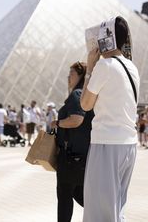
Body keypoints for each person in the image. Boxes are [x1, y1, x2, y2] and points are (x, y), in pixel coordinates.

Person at [80, 17, 140, 222]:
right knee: (117, 208)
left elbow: (85, 104)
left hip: (107, 144)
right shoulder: (132, 67)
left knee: (99, 211)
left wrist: (89, 67)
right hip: (128, 145)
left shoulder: (104, 65)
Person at [50, 61, 93, 222]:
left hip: (70, 157)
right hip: (80, 155)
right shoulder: (86, 95)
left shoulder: (77, 94)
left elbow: (76, 120)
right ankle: (104, 214)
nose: (68, 77)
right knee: (78, 193)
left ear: (81, 76)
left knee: (65, 195)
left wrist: (58, 123)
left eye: (72, 74)